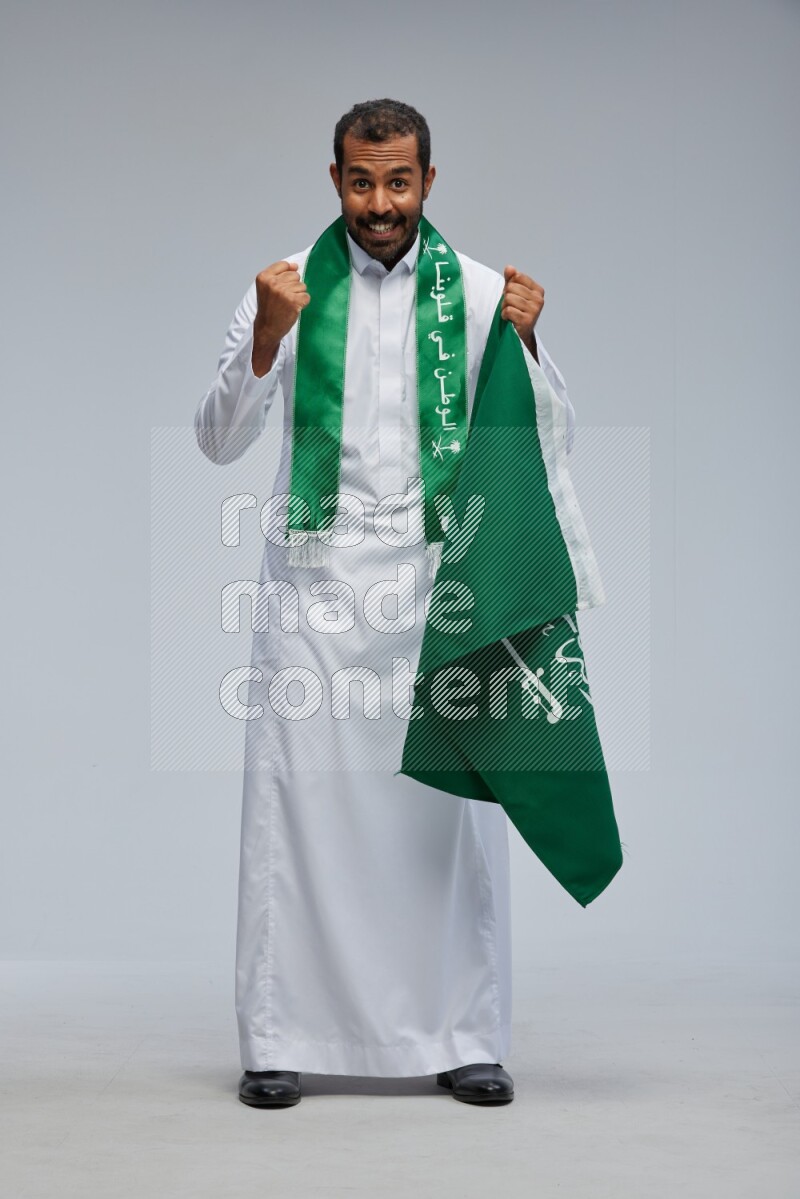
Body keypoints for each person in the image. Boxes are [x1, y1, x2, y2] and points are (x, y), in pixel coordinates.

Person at [194, 98, 577, 1108]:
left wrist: (530, 350)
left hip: (436, 591)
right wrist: (266, 341)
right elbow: (217, 435)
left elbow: (551, 439)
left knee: (446, 819)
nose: (378, 202)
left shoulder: (486, 292)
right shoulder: (282, 287)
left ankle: (461, 1034)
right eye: (360, 181)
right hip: (315, 594)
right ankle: (279, 1035)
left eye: (396, 181)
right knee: (300, 807)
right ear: (334, 180)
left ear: (427, 182)